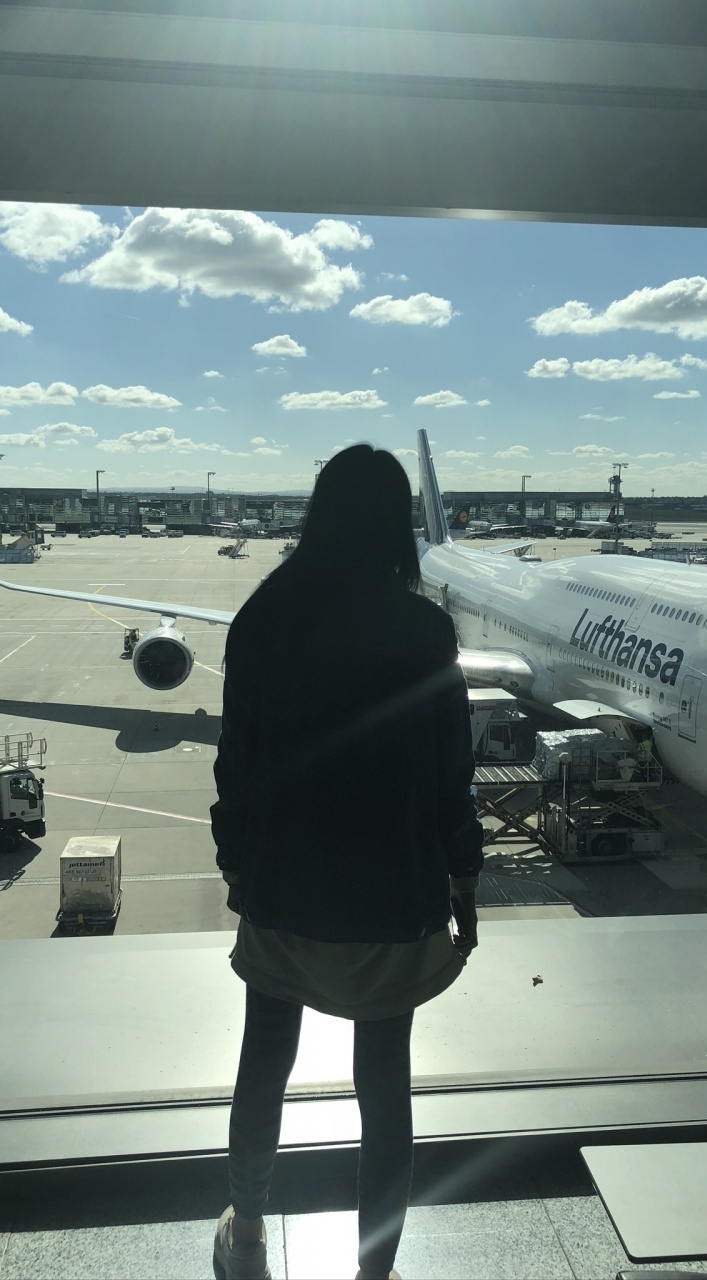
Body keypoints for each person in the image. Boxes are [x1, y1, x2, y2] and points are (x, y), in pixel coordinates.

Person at [210, 444, 484, 1280]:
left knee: (264, 1069)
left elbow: (236, 766)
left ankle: (247, 1234)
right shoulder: (425, 632)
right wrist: (464, 882)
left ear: (318, 515)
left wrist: (239, 869)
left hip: (284, 892)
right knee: (385, 1093)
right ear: (397, 525)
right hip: (393, 902)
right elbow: (451, 778)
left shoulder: (263, 620)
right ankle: (375, 1268)